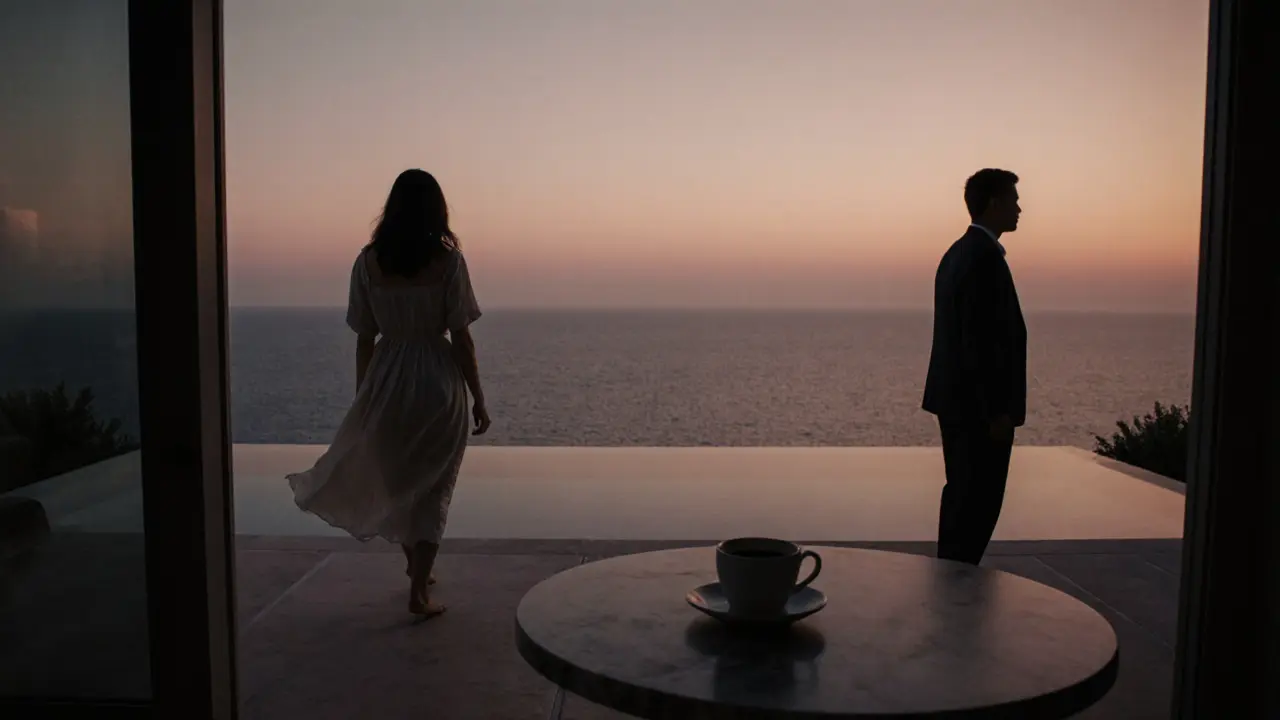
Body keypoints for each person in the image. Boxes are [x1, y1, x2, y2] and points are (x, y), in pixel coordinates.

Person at [287, 169, 491, 619]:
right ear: (438, 210)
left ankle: (416, 570)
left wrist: (365, 399)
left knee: (399, 481)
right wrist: (478, 395)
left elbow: (364, 336)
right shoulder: (449, 262)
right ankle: (419, 589)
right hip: (437, 382)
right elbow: (462, 338)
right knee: (434, 487)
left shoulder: (367, 262)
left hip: (388, 379)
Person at [922, 168, 1027, 565]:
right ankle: (959, 581)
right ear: (995, 203)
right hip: (978, 411)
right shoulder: (982, 259)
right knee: (979, 499)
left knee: (962, 494)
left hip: (956, 402)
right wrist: (996, 411)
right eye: (1014, 200)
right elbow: (981, 344)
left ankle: (952, 576)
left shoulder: (956, 254)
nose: (1020, 208)